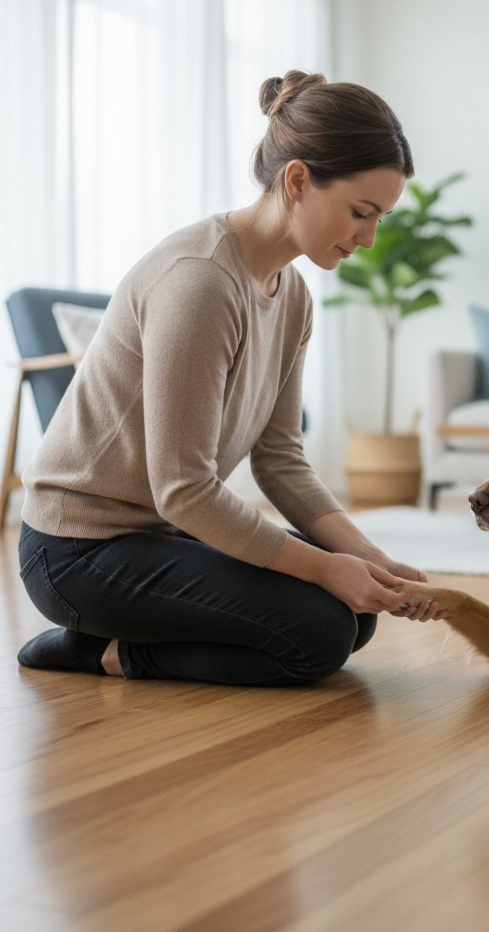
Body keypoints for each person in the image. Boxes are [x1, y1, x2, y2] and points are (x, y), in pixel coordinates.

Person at [17, 70, 442, 686]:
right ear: (297, 180)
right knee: (319, 633)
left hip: (163, 537)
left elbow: (281, 460)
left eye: (379, 219)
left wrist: (368, 560)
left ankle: (138, 632)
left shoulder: (293, 297)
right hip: (77, 551)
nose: (369, 240)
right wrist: (324, 569)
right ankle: (99, 651)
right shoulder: (199, 282)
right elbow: (184, 487)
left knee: (356, 611)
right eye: (360, 213)